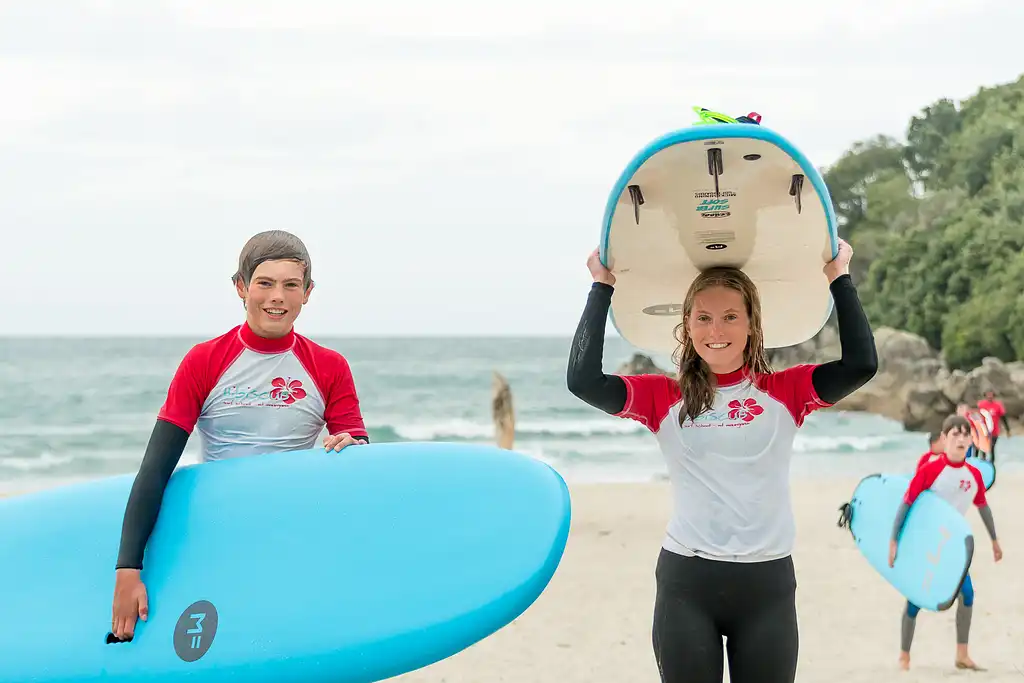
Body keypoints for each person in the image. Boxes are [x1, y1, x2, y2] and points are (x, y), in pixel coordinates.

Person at [566, 238, 877, 683]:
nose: (717, 330)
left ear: (752, 324)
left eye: (731, 317)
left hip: (766, 586)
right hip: (687, 584)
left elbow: (861, 364)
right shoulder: (662, 398)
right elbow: (583, 380)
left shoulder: (787, 391)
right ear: (687, 326)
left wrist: (838, 276)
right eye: (704, 318)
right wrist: (602, 286)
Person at [109, 230, 370, 642]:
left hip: (291, 531)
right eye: (264, 283)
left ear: (308, 292)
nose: (277, 297)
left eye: (290, 285)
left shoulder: (329, 366)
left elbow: (359, 463)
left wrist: (351, 448)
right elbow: (156, 468)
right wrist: (128, 569)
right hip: (216, 530)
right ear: (241, 287)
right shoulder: (205, 361)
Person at [889, 414, 1002, 672]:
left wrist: (994, 540)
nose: (961, 439)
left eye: (966, 434)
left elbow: (982, 506)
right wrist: (894, 540)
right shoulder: (930, 470)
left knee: (968, 595)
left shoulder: (973, 473)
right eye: (955, 434)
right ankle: (904, 655)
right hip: (928, 542)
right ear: (944, 439)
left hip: (953, 547)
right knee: (917, 598)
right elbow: (906, 502)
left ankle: (962, 654)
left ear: (971, 440)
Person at [977, 390, 1010, 463]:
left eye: (991, 395)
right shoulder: (981, 404)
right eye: (988, 395)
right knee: (984, 448)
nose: (989, 397)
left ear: (994, 396)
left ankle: (992, 464)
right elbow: (976, 417)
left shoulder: (998, 405)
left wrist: (1008, 429)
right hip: (983, 431)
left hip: (994, 431)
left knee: (992, 447)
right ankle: (983, 464)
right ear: (985, 396)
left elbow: (1003, 418)